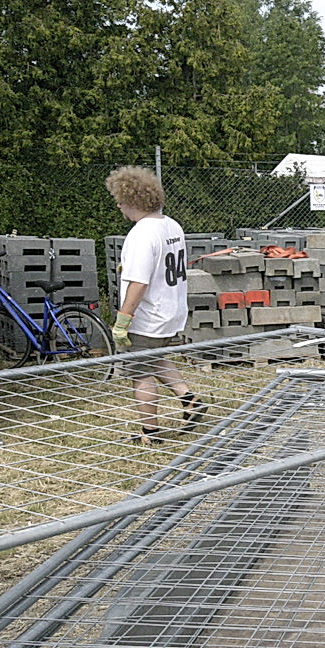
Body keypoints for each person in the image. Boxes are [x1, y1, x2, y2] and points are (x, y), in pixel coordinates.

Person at [105, 166, 206, 445]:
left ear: (131, 200)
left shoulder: (140, 234)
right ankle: (190, 400)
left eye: (119, 199)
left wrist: (124, 319)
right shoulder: (171, 225)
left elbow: (138, 283)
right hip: (171, 312)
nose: (118, 205)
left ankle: (150, 433)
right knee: (154, 357)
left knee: (140, 373)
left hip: (147, 317)